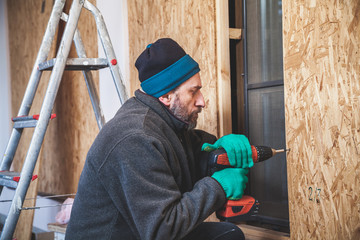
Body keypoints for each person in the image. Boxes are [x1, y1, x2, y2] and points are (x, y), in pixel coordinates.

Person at [65, 38, 253, 240]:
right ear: (166, 96)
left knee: (228, 234)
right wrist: (218, 187)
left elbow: (183, 152)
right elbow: (162, 230)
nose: (202, 101)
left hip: (139, 233)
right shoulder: (135, 139)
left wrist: (216, 149)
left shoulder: (162, 123)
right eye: (193, 91)